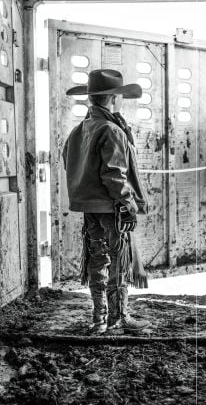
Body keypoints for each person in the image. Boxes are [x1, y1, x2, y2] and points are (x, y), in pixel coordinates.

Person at [63, 69, 151, 334]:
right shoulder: (111, 130)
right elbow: (114, 176)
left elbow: (68, 161)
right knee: (118, 262)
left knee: (97, 261)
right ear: (114, 98)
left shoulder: (79, 130)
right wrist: (128, 205)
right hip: (111, 208)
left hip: (89, 208)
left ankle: (98, 319)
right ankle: (118, 318)